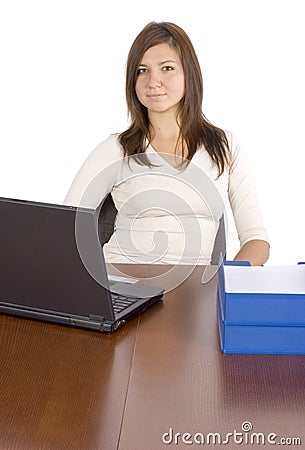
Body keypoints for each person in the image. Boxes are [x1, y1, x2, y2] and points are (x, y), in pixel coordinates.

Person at [64, 21, 270, 266]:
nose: (153, 81)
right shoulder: (117, 148)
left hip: (196, 293)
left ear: (188, 74)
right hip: (120, 288)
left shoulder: (224, 146)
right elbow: (65, 226)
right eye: (142, 70)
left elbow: (256, 240)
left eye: (167, 68)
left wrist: (225, 282)